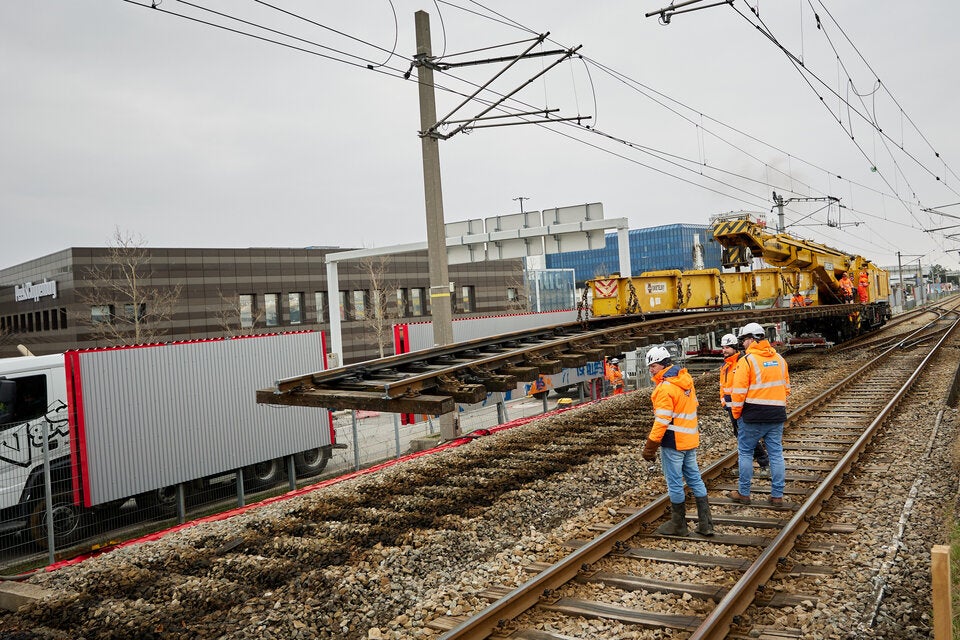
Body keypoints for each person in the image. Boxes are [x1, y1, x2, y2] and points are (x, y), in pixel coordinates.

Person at [642, 346, 713, 536]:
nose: (651, 370)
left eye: (653, 366)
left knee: (674, 483)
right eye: (650, 367)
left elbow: (662, 420)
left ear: (663, 364)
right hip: (690, 439)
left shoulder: (665, 388)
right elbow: (693, 406)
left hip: (673, 442)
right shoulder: (686, 380)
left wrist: (650, 447)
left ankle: (679, 525)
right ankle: (706, 524)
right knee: (695, 479)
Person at [728, 322, 790, 507]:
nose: (742, 344)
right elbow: (786, 388)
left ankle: (744, 493)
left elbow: (738, 393)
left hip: (752, 415)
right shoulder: (779, 359)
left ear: (751, 339)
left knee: (746, 453)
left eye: (743, 340)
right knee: (776, 454)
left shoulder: (747, 361)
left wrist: (736, 414)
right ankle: (777, 496)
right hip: (776, 414)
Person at [719, 333, 769, 476]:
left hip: (742, 407)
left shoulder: (742, 362)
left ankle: (763, 463)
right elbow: (723, 386)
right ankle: (750, 466)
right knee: (740, 434)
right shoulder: (725, 365)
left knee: (747, 436)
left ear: (735, 347)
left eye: (727, 347)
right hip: (731, 407)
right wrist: (723, 401)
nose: (724, 350)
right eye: (723, 347)